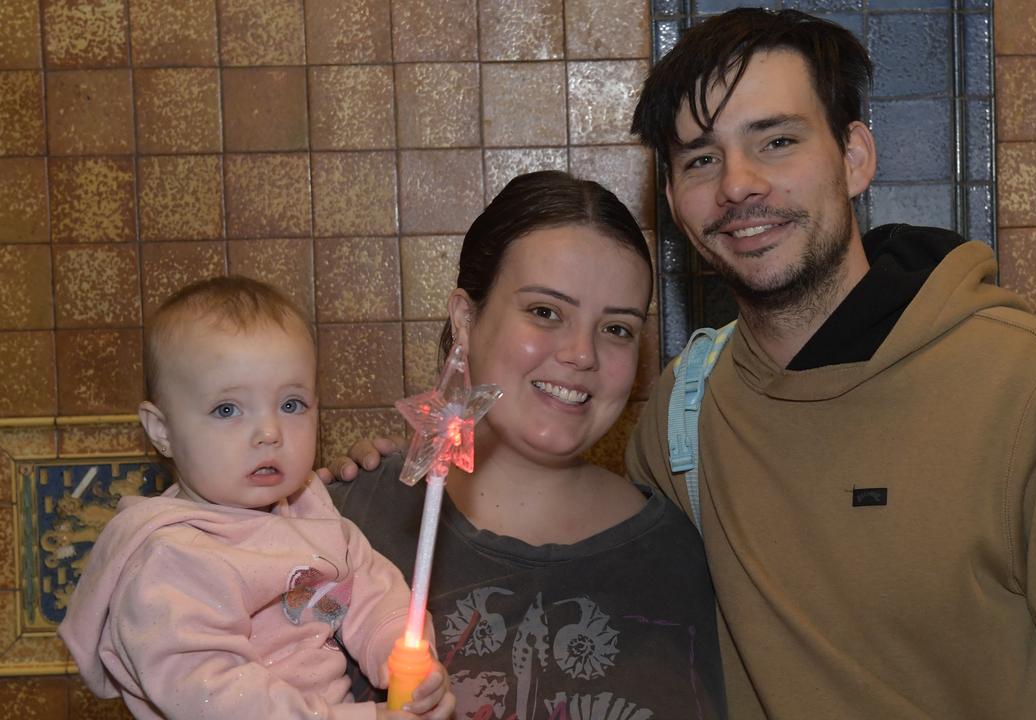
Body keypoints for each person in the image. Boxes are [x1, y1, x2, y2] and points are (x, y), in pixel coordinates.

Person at [623, 7, 1036, 719]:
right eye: (701, 159)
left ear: (855, 157)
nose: (738, 184)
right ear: (678, 206)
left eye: (776, 140)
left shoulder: (1030, 389)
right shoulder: (685, 415)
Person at [327, 171, 727, 720]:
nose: (582, 353)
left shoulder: (683, 560)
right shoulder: (342, 523)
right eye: (545, 312)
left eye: (617, 329)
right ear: (466, 319)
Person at [58, 277, 454, 720]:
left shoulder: (311, 513)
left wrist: (406, 662)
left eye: (291, 405)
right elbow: (217, 698)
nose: (270, 433)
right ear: (162, 431)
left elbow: (372, 591)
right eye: (227, 410)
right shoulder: (171, 560)